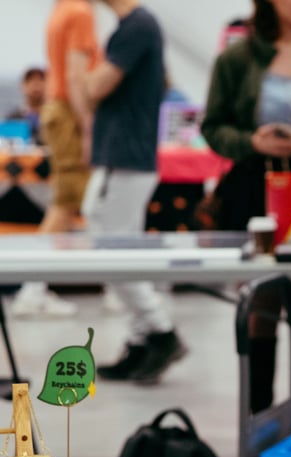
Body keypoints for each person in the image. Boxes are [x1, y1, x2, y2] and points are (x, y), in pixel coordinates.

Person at [200, 0, 291, 423]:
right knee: (261, 309)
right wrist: (254, 142)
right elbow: (213, 127)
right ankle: (259, 422)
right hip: (256, 192)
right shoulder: (237, 57)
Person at [84, 0, 185, 384]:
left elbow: (96, 86)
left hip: (126, 156)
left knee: (109, 245)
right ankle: (142, 337)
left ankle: (159, 329)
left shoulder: (138, 26)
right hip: (124, 154)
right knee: (115, 243)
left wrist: (78, 68)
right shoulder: (136, 27)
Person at [11, 0, 99, 319]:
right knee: (67, 203)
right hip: (67, 112)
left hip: (59, 110)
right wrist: (88, 127)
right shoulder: (78, 12)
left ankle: (34, 288)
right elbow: (76, 76)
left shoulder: (62, 10)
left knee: (73, 202)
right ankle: (32, 289)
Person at [5, 67, 46, 145]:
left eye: (41, 80)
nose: (36, 84)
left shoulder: (54, 119)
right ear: (23, 86)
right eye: (30, 80)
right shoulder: (13, 118)